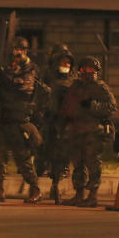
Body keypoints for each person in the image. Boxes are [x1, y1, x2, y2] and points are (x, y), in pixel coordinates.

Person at [0, 36, 42, 204]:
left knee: (22, 157)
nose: (17, 53)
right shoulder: (10, 68)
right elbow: (3, 86)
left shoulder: (31, 69)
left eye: (21, 50)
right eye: (15, 49)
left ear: (26, 51)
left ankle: (35, 189)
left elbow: (21, 87)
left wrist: (2, 78)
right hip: (6, 117)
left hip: (19, 119)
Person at [58, 56, 116, 207]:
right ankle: (78, 194)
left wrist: (92, 105)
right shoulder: (75, 86)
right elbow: (67, 107)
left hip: (92, 132)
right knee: (77, 164)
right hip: (76, 130)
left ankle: (92, 196)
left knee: (93, 163)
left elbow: (111, 107)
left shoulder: (100, 88)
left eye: (92, 69)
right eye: (86, 69)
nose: (89, 72)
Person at [41, 44, 76, 203]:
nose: (66, 66)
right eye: (63, 62)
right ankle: (51, 181)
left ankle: (57, 183)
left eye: (68, 63)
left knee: (63, 154)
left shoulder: (73, 80)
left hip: (66, 123)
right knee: (49, 150)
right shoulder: (49, 77)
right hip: (50, 121)